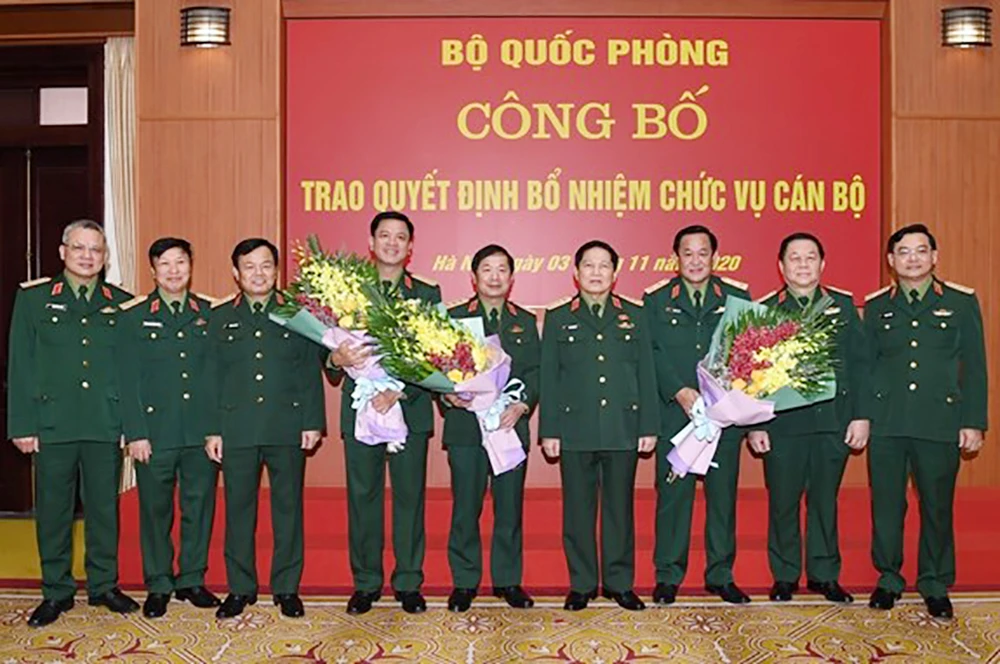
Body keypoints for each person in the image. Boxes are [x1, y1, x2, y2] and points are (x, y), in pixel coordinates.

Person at [7, 219, 137, 627]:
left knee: (103, 510)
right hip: (53, 424)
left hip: (104, 422)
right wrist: (22, 425)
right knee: (53, 512)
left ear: (105, 256)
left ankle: (104, 585)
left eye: (95, 249)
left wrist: (130, 423)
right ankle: (56, 591)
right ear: (63, 252)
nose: (87, 256)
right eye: (79, 248)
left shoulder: (122, 303)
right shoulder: (34, 299)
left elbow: (131, 371)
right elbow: (21, 364)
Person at [863, 224, 987, 620]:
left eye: (920, 251)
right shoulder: (877, 306)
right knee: (886, 505)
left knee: (937, 505)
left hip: (939, 420)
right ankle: (889, 578)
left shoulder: (961, 303)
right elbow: (866, 367)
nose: (912, 258)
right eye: (903, 251)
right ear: (891, 260)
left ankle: (934, 582)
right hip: (887, 422)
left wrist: (973, 421)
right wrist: (863, 416)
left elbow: (975, 367)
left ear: (934, 257)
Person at [204, 238, 326, 619]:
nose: (258, 273)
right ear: (236, 273)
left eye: (266, 265)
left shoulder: (297, 314)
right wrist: (212, 430)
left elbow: (309, 371)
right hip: (236, 427)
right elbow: (211, 377)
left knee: (288, 509)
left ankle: (286, 588)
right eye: (250, 266)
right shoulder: (219, 317)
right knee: (239, 511)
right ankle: (240, 588)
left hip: (286, 425)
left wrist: (312, 421)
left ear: (276, 270)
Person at [327, 211, 441, 615]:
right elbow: (328, 352)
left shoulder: (426, 293)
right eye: (385, 235)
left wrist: (399, 390)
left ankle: (408, 582)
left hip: (408, 411)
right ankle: (366, 583)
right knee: (363, 498)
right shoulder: (346, 292)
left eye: (400, 237)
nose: (392, 243)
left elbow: (436, 355)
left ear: (410, 247)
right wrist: (336, 359)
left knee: (410, 499)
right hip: (361, 409)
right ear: (371, 243)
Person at [746, 232, 869, 603]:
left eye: (810, 257)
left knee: (824, 501)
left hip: (832, 421)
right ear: (781, 266)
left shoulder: (842, 306)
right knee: (783, 502)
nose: (803, 264)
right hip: (783, 425)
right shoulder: (765, 310)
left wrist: (861, 416)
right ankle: (785, 575)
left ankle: (824, 574)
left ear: (822, 264)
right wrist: (755, 424)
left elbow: (860, 364)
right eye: (795, 258)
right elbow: (752, 373)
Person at [540, 240, 658, 612]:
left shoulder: (635, 315)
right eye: (588, 265)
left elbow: (646, 373)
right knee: (578, 511)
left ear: (615, 273)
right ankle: (582, 583)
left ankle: (620, 583)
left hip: (623, 426)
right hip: (575, 428)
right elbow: (549, 378)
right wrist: (549, 430)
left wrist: (649, 425)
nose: (596, 272)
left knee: (619, 510)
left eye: (604, 265)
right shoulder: (558, 317)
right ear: (576, 273)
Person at [643, 224, 752, 605]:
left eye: (702, 253)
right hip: (676, 415)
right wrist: (679, 391)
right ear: (676, 258)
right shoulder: (656, 300)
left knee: (722, 499)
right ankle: (668, 575)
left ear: (714, 257)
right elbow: (651, 352)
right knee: (673, 497)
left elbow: (748, 354)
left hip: (724, 418)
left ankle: (721, 574)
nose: (695, 260)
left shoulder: (737, 297)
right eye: (687, 253)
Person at [118, 237, 221, 618]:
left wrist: (216, 429)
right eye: (165, 263)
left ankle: (191, 579)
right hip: (154, 434)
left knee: (199, 507)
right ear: (153, 270)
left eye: (180, 262)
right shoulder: (133, 316)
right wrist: (135, 433)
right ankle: (159, 583)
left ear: (190, 266)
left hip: (200, 433)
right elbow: (127, 380)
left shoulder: (210, 312)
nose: (174, 270)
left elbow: (218, 377)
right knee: (155, 511)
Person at [441, 244, 540, 612]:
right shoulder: (454, 318)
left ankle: (508, 580)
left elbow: (535, 371)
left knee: (510, 507)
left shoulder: (524, 321)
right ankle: (465, 581)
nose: (494, 277)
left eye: (502, 270)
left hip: (508, 426)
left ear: (511, 278)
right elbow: (436, 367)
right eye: (487, 269)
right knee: (465, 507)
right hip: (466, 427)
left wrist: (522, 404)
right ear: (474, 277)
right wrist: (447, 395)